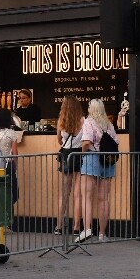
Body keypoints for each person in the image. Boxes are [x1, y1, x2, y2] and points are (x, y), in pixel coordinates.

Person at [75, 99, 117, 244]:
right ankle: (102, 234)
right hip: (108, 161)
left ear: (90, 109)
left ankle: (87, 229)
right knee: (103, 198)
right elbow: (116, 142)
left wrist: (82, 153)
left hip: (92, 158)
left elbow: (86, 142)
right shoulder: (109, 124)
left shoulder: (89, 122)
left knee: (87, 196)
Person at [55, 97, 84, 237]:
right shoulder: (83, 121)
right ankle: (76, 227)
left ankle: (59, 226)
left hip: (66, 154)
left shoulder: (61, 121)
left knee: (64, 193)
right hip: (80, 154)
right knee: (78, 194)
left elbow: (59, 140)